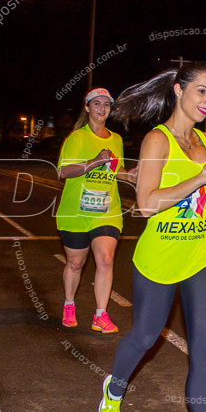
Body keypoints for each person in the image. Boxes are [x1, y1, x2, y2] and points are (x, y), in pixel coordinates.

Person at [98, 62, 206, 412]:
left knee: (203, 352)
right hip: (159, 255)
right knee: (144, 336)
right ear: (179, 90)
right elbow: (146, 203)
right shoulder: (156, 140)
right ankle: (115, 387)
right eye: (201, 92)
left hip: (200, 253)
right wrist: (201, 178)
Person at [56, 87, 136, 333]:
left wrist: (129, 176)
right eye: (97, 104)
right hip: (75, 212)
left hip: (107, 210)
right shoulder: (77, 139)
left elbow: (116, 169)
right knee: (75, 263)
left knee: (105, 259)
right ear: (87, 107)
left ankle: (100, 315)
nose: (102, 109)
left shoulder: (116, 139)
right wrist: (94, 162)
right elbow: (63, 172)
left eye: (107, 105)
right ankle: (69, 304)